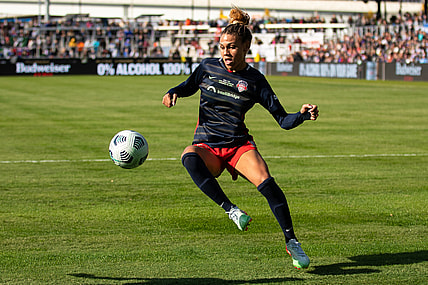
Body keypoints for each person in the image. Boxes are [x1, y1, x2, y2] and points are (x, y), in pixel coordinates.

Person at [162, 7, 319, 270]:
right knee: (188, 156)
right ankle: (231, 210)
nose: (226, 52)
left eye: (232, 47)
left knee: (268, 184)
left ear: (246, 47)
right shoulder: (207, 67)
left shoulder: (255, 80)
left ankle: (292, 241)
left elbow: (283, 120)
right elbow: (187, 86)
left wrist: (302, 116)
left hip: (237, 146)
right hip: (207, 146)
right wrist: (173, 92)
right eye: (223, 46)